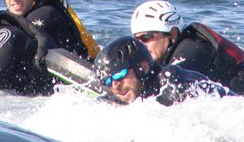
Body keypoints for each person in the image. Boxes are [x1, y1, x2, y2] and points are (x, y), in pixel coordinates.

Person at [92, 36, 232, 106]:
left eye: (119, 74)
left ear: (143, 67)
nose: (115, 85)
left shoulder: (170, 81)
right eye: (109, 81)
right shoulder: (130, 92)